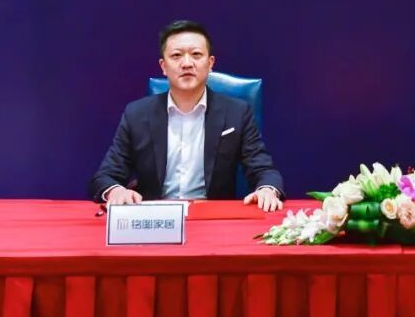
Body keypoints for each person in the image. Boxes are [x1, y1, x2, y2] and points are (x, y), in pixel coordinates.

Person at [89, 20, 284, 212]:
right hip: (155, 218)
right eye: (176, 55)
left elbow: (263, 169)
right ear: (163, 66)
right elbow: (105, 176)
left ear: (210, 63)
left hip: (214, 218)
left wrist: (267, 189)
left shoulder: (237, 113)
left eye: (196, 54)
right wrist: (115, 191)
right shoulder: (137, 114)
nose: (187, 63)